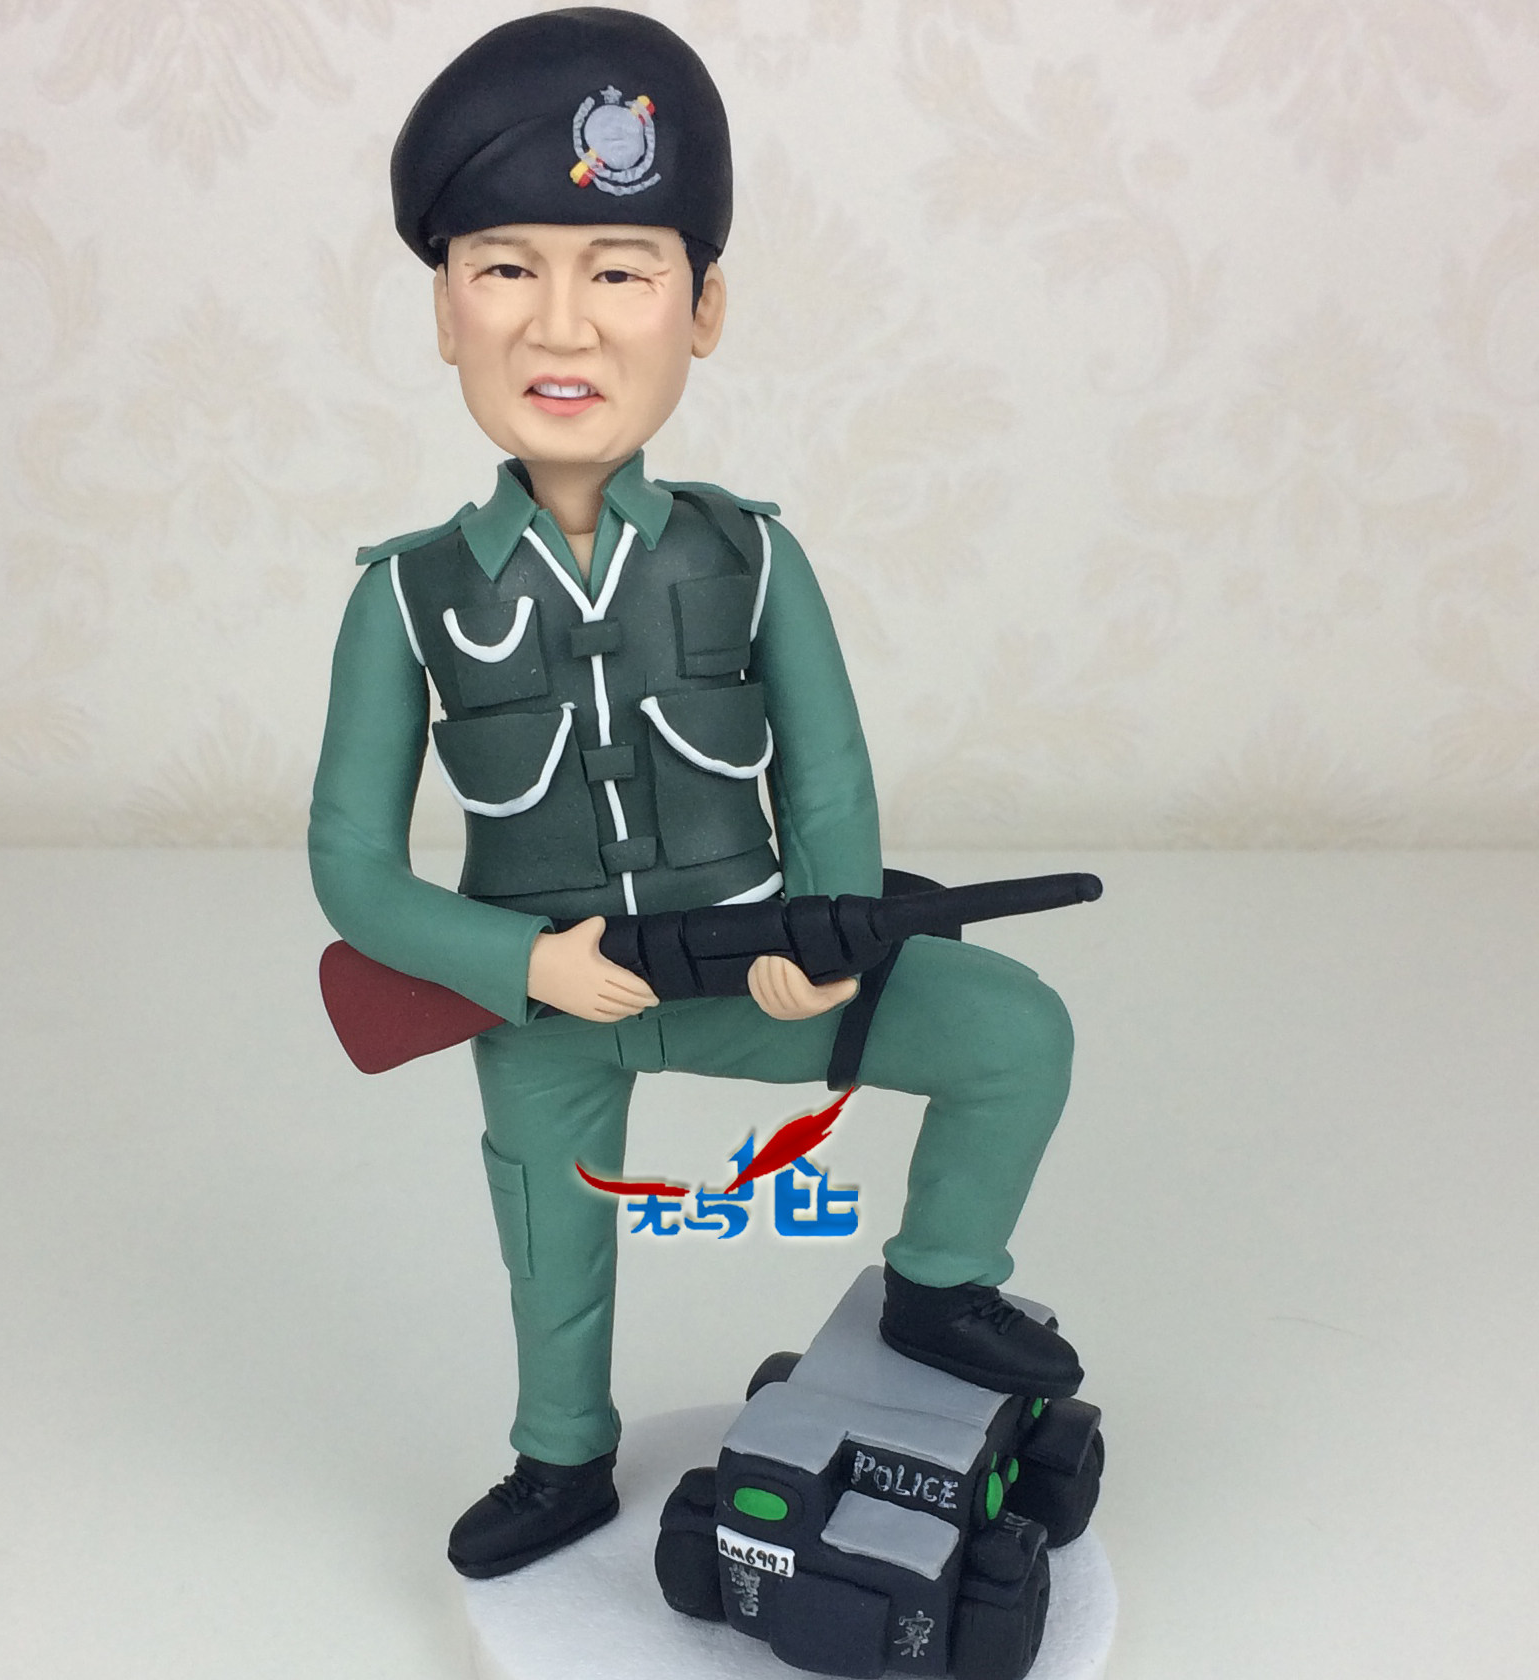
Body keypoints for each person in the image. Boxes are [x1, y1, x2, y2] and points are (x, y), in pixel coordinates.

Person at [308, 7, 1082, 1582]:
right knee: (553, 1242)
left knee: (1012, 1032)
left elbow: (832, 780)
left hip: (750, 972)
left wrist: (832, 940)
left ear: (703, 307)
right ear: (445, 310)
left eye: (620, 274)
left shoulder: (750, 554)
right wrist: (522, 965)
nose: (563, 329)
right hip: (540, 1009)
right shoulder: (406, 595)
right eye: (505, 271)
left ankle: (938, 1283)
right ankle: (559, 1460)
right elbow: (352, 869)